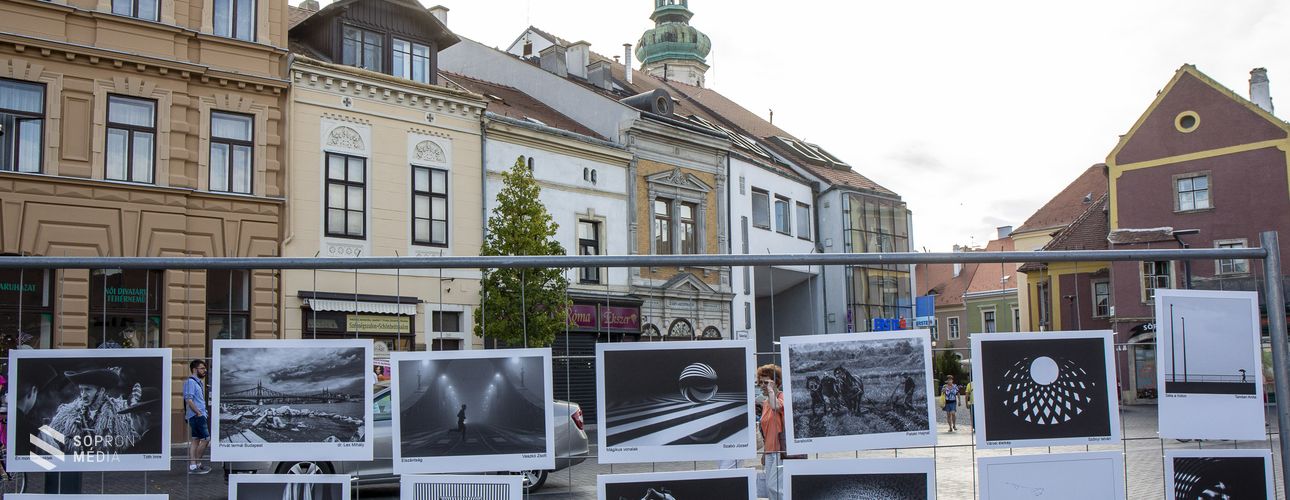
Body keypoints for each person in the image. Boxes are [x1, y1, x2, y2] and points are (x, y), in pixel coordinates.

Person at [757, 364, 785, 500]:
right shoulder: (766, 402)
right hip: (769, 452)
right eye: (760, 382)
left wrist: (772, 391)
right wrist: (764, 452)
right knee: (770, 489)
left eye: (766, 382)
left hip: (781, 451)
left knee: (775, 487)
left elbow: (776, 407)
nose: (762, 385)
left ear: (776, 382)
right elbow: (766, 430)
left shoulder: (781, 397)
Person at [183, 359, 210, 474]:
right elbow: (188, 399)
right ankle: (197, 463)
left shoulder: (197, 382)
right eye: (202, 368)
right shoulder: (191, 382)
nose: (205, 370)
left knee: (195, 440)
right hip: (196, 416)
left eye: (205, 368)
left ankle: (193, 465)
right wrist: (198, 412)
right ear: (194, 369)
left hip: (197, 415)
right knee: (206, 439)